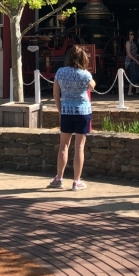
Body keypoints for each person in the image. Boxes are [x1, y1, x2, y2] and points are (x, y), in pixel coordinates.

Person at [48, 45, 95, 192]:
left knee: (63, 146)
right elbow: (92, 86)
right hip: (82, 111)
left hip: (67, 111)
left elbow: (56, 94)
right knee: (79, 147)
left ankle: (59, 178)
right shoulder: (85, 74)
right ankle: (76, 181)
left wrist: (60, 110)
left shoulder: (60, 72)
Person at [124, 30, 139, 97]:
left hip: (134, 61)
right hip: (130, 61)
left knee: (137, 76)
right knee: (133, 76)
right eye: (131, 34)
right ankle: (129, 91)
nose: (132, 36)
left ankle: (137, 90)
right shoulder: (128, 43)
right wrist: (136, 60)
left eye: (133, 34)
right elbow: (129, 54)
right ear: (128, 35)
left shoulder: (133, 43)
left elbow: (134, 53)